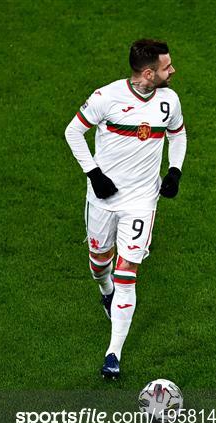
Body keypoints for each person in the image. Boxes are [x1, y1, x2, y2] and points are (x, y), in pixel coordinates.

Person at [64, 39, 187, 379]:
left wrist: (174, 170)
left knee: (126, 273)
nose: (172, 71)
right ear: (149, 73)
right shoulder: (106, 98)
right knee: (99, 263)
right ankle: (106, 293)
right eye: (167, 67)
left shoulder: (169, 101)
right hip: (104, 198)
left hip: (142, 200)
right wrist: (94, 174)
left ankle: (113, 353)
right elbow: (73, 132)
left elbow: (178, 135)